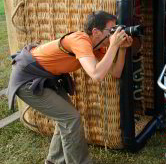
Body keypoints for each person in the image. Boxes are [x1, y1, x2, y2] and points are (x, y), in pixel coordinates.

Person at [7, 11, 133, 164]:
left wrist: (122, 49)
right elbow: (96, 75)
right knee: (70, 118)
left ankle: (53, 161)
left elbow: (116, 72)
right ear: (96, 32)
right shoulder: (80, 40)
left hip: (46, 79)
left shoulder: (97, 47)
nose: (115, 34)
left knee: (66, 119)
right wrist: (113, 45)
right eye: (111, 30)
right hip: (28, 79)